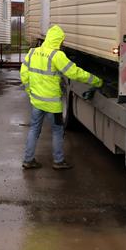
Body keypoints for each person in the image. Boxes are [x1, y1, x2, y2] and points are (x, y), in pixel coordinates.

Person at [20, 25, 103, 170]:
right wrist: (95, 80)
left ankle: (28, 160)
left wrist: (30, 92)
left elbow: (24, 74)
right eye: (62, 41)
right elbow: (74, 73)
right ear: (58, 41)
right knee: (57, 131)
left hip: (36, 102)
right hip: (53, 105)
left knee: (34, 129)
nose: (63, 44)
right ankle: (58, 161)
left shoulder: (33, 52)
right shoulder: (57, 56)